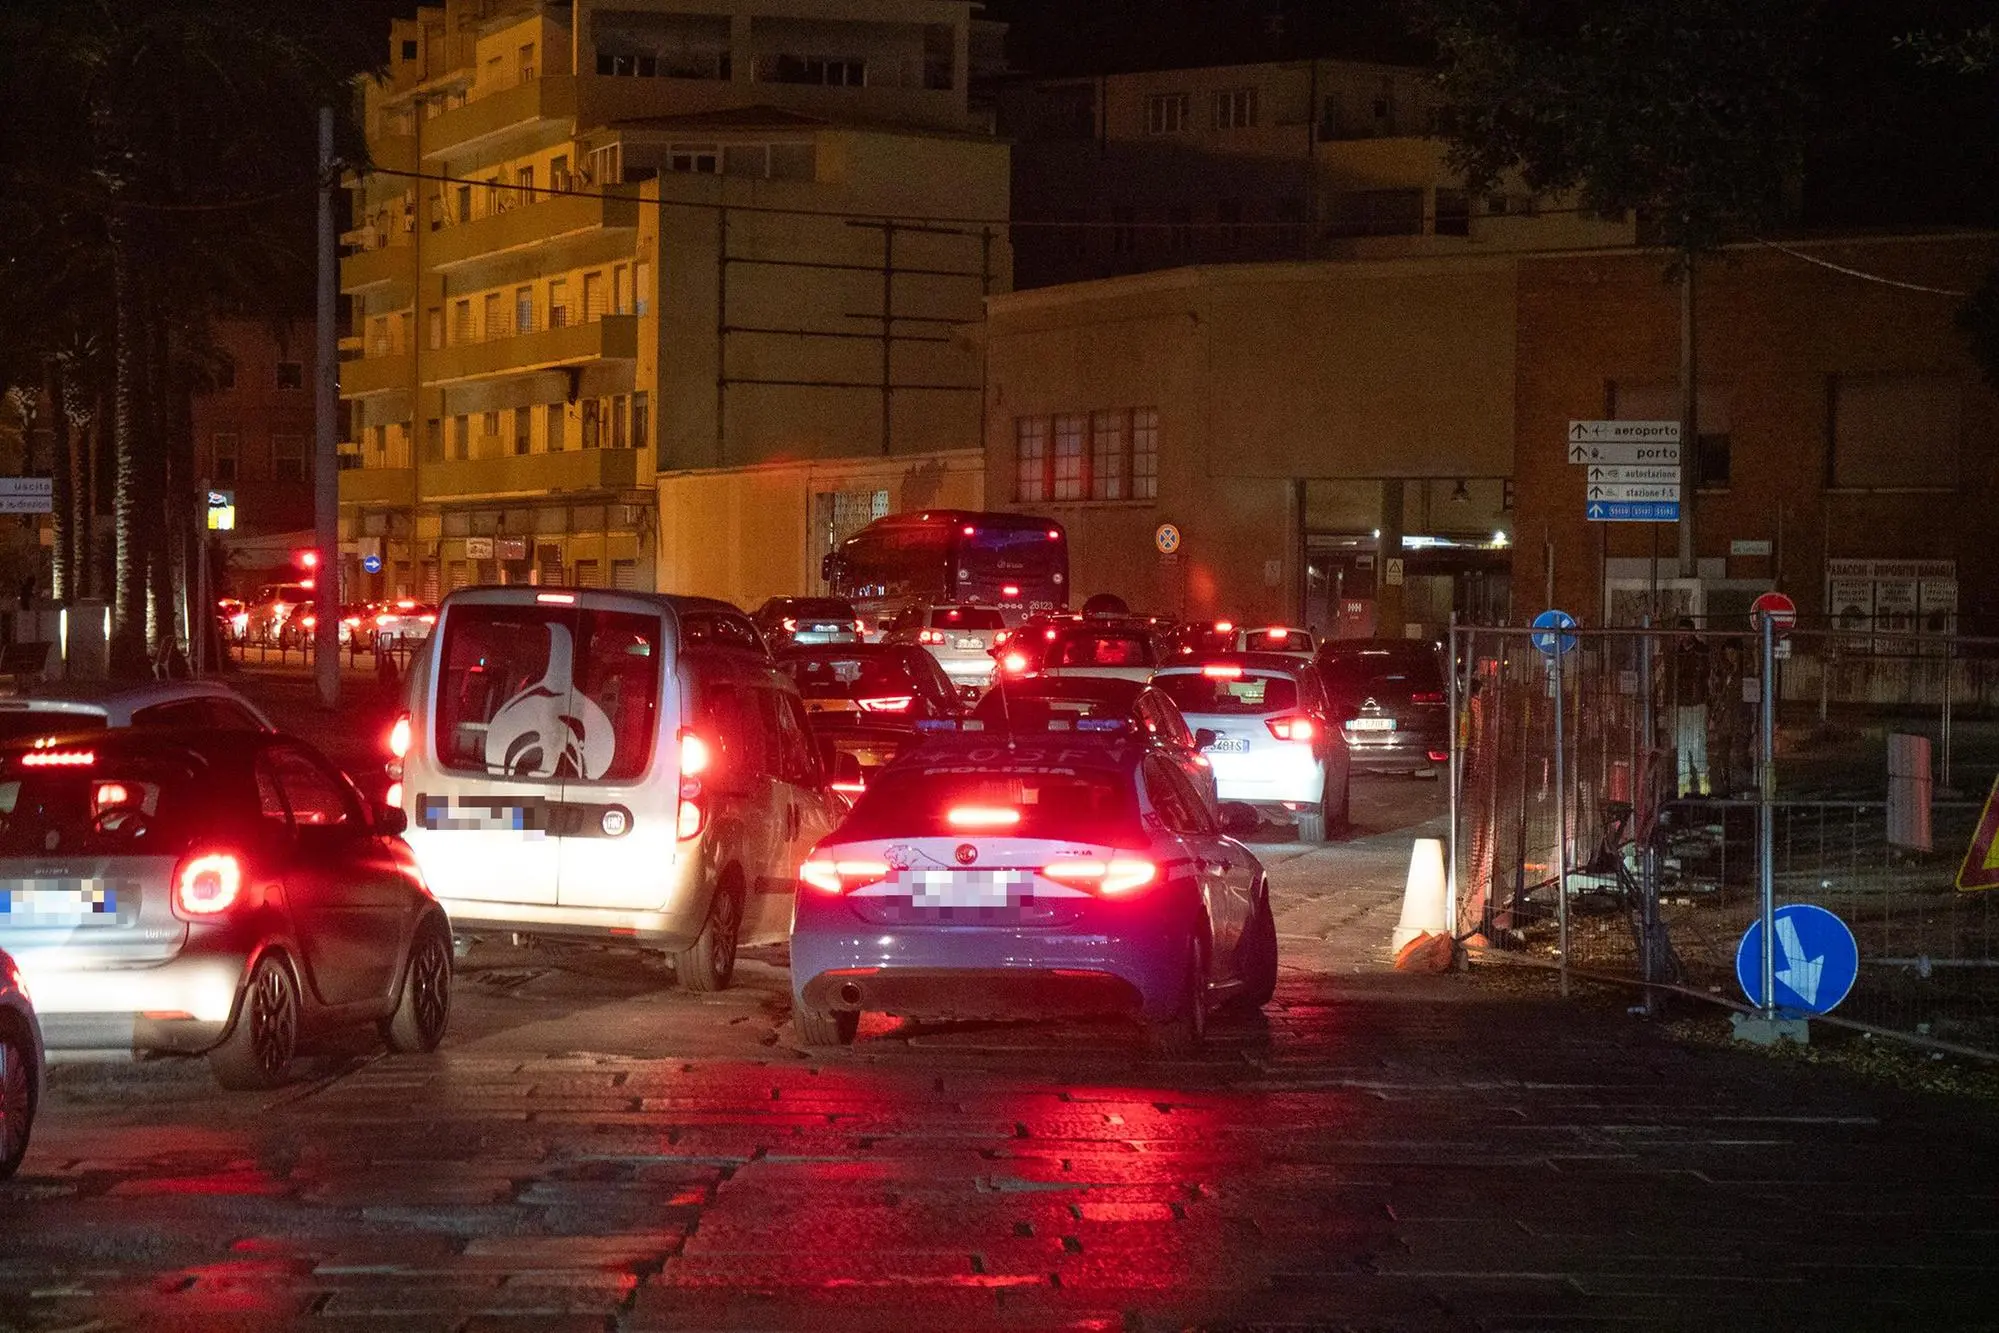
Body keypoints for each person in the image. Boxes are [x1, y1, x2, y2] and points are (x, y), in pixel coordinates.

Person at [1669, 618, 1710, 797]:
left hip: (1697, 703)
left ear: (1693, 632)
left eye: (1685, 631)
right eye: (1680, 632)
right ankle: (1683, 786)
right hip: (1681, 703)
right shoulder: (1675, 653)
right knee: (1683, 745)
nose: (1682, 636)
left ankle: (1703, 784)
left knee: (1697, 743)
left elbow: (1706, 677)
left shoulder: (1702, 652)